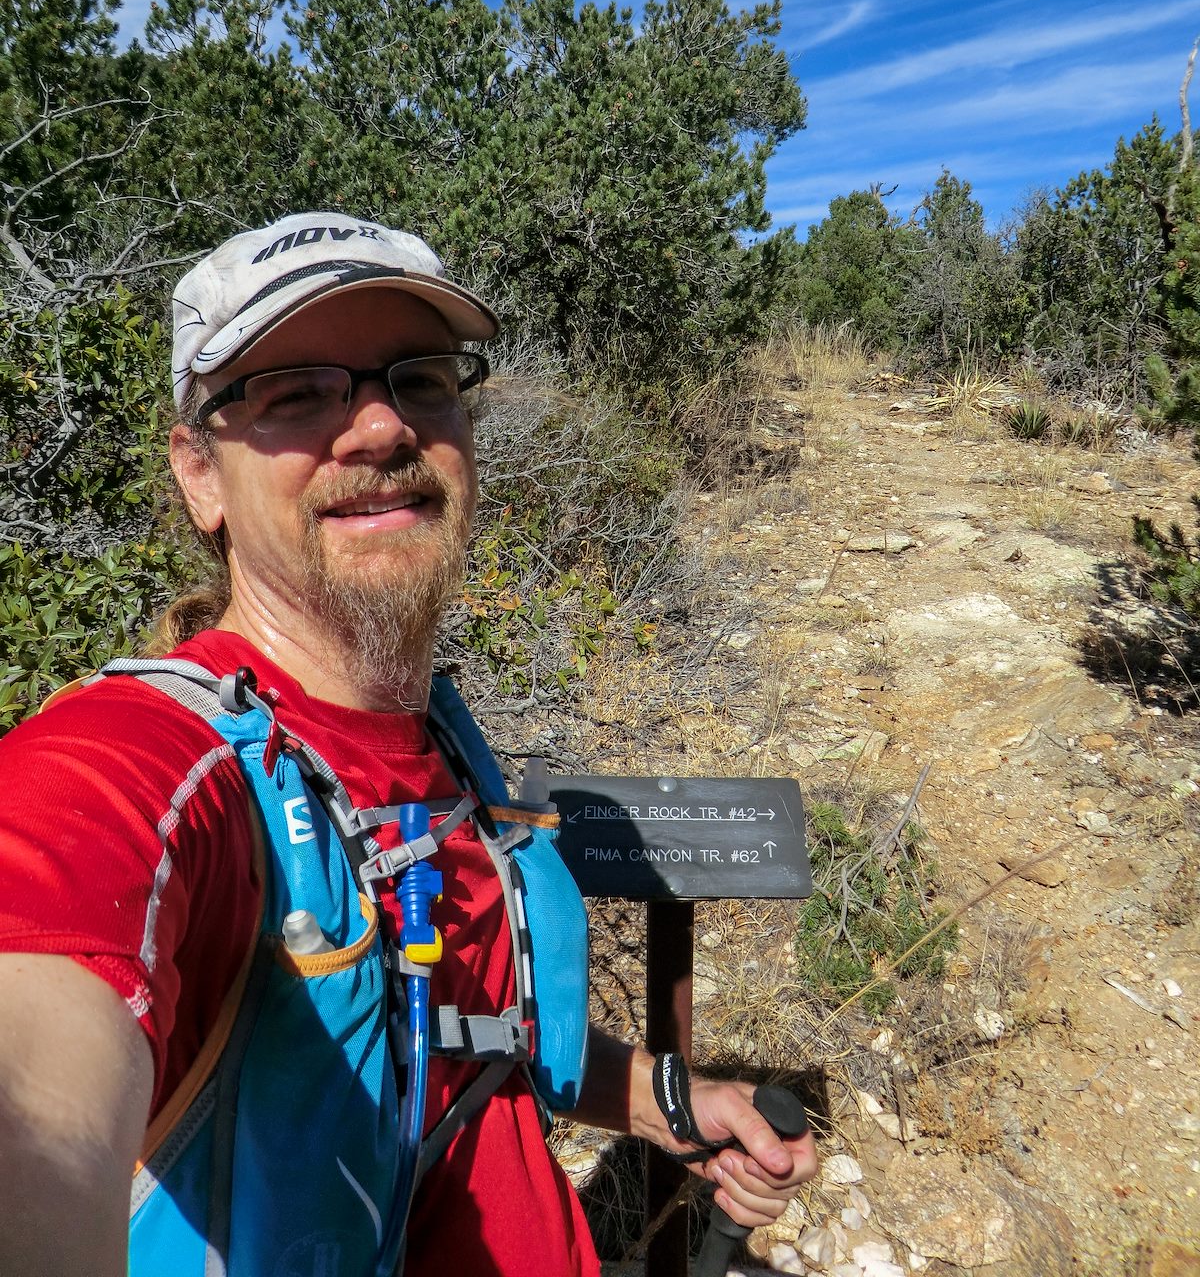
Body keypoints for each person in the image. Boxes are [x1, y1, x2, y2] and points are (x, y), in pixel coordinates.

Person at [0, 212, 817, 1277]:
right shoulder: (153, 767)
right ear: (200, 471)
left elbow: (461, 1038)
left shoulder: (437, 738)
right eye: (297, 392)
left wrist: (672, 1099)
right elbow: (43, 1035)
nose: (382, 427)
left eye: (420, 377)